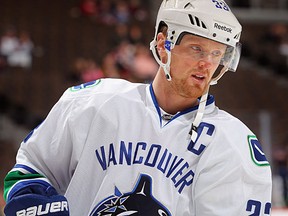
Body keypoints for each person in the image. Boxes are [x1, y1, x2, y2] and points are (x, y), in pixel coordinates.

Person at [3, 0, 272, 215]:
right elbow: (31, 169)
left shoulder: (233, 144)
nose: (207, 64)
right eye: (197, 49)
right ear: (163, 45)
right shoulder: (93, 102)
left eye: (216, 53)